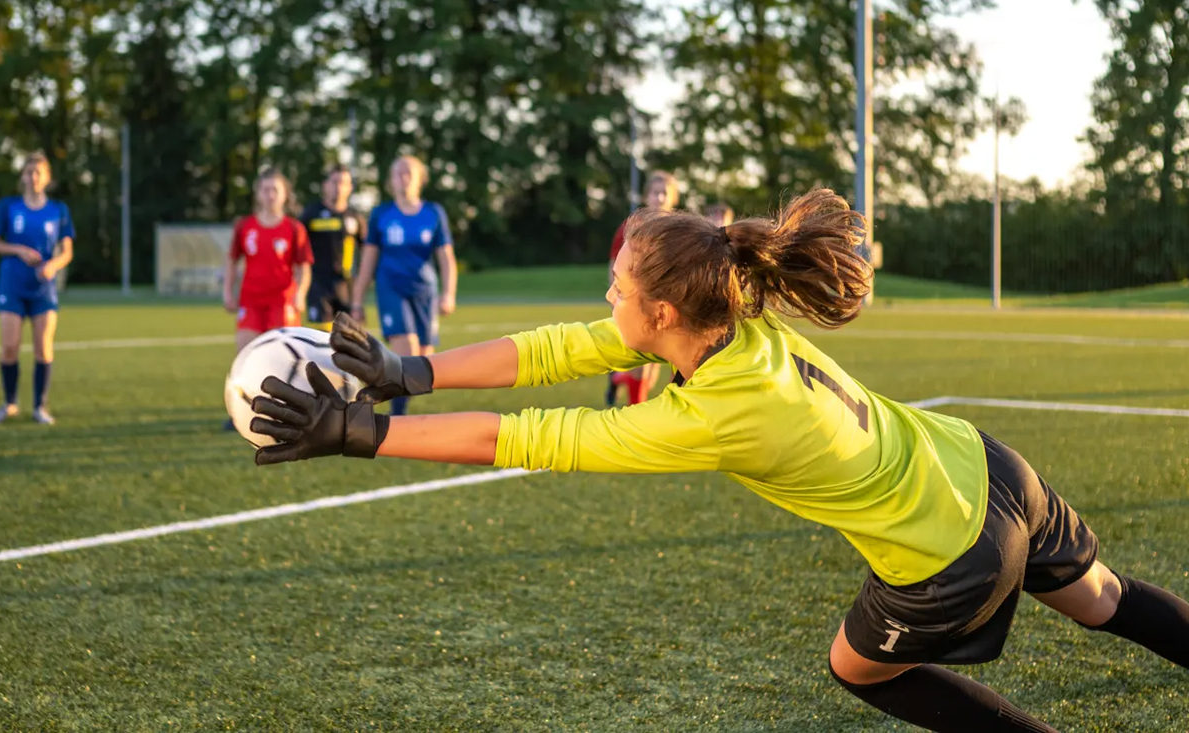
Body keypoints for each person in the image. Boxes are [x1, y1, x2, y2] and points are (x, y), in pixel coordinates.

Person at [249, 189, 1189, 733]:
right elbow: (569, 348)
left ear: (661, 314)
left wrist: (359, 433)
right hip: (989, 468)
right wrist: (412, 367)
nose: (606, 298)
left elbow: (524, 436)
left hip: (947, 556)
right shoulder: (732, 305)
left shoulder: (715, 414)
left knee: (856, 670)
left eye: (617, 286)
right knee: (1104, 598)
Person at [349, 155, 456, 417]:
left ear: (420, 178)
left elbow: (446, 258)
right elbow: (368, 261)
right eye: (397, 173)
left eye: (408, 172)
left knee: (422, 359)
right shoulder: (382, 214)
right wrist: (357, 301)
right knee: (406, 348)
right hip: (391, 288)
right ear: (390, 181)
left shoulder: (433, 213)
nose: (403, 177)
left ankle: (388, 394)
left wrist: (448, 294)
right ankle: (397, 416)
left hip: (424, 291)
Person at [222, 167, 313, 428]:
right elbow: (232, 261)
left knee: (282, 360)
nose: (270, 195)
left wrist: (300, 295)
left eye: (275, 190)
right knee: (244, 356)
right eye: (265, 189)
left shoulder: (294, 228)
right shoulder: (245, 226)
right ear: (258, 194)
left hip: (282, 303)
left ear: (284, 195)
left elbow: (304, 268)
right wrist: (228, 292)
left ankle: (287, 413)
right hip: (251, 301)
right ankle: (239, 413)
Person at [0, 151, 75, 425]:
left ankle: (40, 407)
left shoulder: (58, 210)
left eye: (38, 172)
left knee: (43, 349)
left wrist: (53, 266)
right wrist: (18, 250)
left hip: (43, 290)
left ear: (47, 178)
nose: (33, 177)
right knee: (10, 347)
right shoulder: (9, 206)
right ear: (22, 176)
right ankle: (10, 403)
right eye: (28, 172)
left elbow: (67, 251)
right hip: (12, 285)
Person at [606, 170, 679, 407]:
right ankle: (634, 420)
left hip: (665, 304)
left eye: (664, 193)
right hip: (636, 301)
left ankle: (617, 379)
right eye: (655, 193)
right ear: (646, 196)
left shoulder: (680, 229)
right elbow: (614, 264)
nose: (659, 198)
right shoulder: (632, 225)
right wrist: (619, 297)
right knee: (641, 367)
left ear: (672, 199)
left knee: (652, 370)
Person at [298, 165, 366, 332]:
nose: (339, 187)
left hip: (347, 288)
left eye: (344, 183)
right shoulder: (311, 213)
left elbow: (368, 251)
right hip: (318, 286)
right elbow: (297, 249)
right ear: (325, 185)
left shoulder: (355, 217)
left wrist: (362, 283)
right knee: (322, 341)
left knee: (349, 344)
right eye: (335, 182)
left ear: (350, 188)